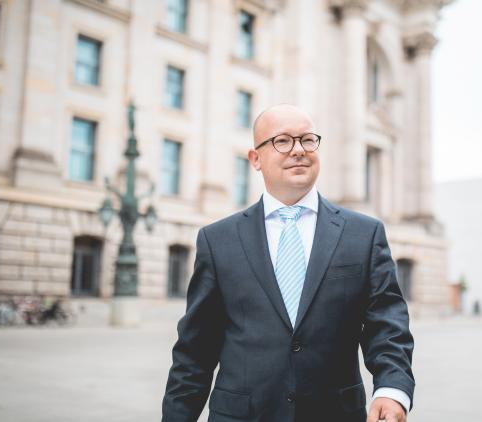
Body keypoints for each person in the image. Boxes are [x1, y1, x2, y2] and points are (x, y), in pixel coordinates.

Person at [162, 104, 414, 422]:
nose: (298, 150)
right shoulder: (217, 240)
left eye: (308, 140)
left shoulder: (364, 234)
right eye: (282, 141)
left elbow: (387, 325)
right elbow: (195, 351)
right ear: (256, 158)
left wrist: (392, 390)